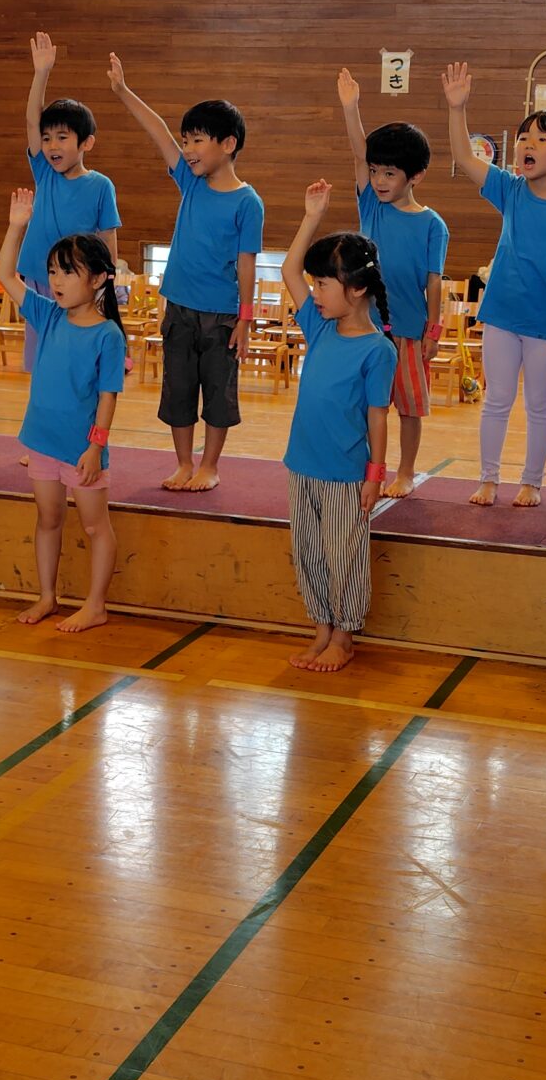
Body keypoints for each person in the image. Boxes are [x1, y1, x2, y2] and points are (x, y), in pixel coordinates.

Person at [108, 53, 263, 493]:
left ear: (228, 144)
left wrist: (246, 319)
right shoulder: (190, 183)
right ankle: (182, 462)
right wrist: (123, 91)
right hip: (179, 308)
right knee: (177, 391)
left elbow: (247, 263)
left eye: (197, 140)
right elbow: (157, 130)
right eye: (186, 141)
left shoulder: (247, 202)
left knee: (217, 393)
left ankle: (209, 465)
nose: (188, 149)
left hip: (221, 316)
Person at [442, 61, 546, 509]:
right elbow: (465, 157)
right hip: (502, 314)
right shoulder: (510, 189)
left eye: (542, 139)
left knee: (540, 405)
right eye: (525, 136)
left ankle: (532, 482)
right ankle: (488, 478)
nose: (529, 143)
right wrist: (457, 109)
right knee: (497, 400)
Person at [0, 190, 128, 632]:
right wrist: (17, 225)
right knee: (48, 519)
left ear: (99, 279)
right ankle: (47, 596)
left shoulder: (108, 335)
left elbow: (108, 396)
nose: (56, 280)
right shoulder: (48, 315)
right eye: (53, 270)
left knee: (94, 527)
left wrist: (95, 447)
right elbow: (6, 275)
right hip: (42, 442)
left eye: (68, 272)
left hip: (81, 449)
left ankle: (96, 604)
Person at [279, 182, 399, 673]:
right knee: (308, 551)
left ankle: (345, 635)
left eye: (324, 284)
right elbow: (289, 270)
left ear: (358, 288)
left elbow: (377, 416)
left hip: (345, 474)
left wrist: (375, 474)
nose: (315, 292)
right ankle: (322, 629)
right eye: (316, 284)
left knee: (343, 555)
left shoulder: (378, 350)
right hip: (301, 465)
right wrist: (312, 217)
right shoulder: (320, 326)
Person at [335, 67, 448, 499]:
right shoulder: (371, 206)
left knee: (409, 407)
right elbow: (356, 151)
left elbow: (434, 281)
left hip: (408, 331)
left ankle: (406, 470)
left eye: (389, 174)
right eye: (375, 172)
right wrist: (351, 108)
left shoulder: (433, 224)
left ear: (415, 176)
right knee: (369, 402)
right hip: (365, 327)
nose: (379, 181)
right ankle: (367, 466)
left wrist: (433, 330)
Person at [21, 33, 124, 375]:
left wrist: (106, 282)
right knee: (40, 360)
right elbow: (32, 119)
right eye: (47, 138)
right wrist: (41, 73)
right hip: (39, 278)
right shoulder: (44, 172)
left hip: (79, 281)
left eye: (62, 138)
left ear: (86, 143)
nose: (52, 145)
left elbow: (107, 237)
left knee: (73, 358)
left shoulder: (101, 185)